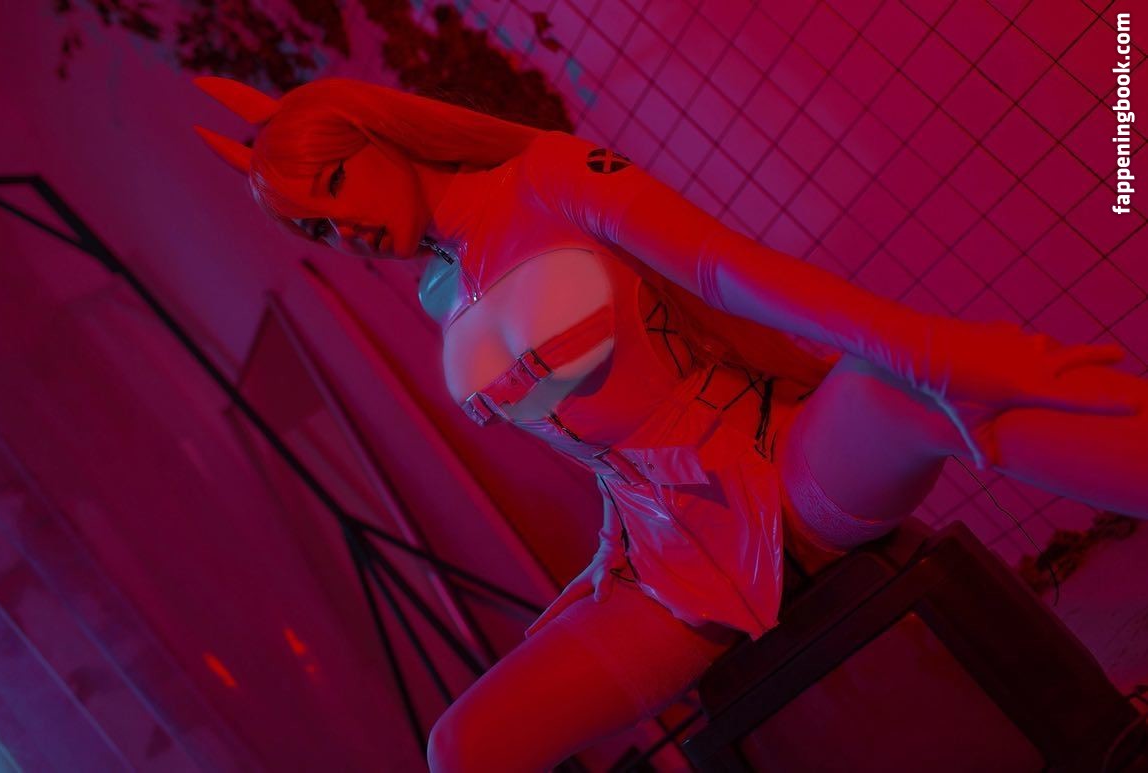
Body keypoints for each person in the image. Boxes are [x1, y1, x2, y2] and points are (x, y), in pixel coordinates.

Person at [193, 75, 1148, 771]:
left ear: (377, 132)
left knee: (912, 390)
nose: (341, 229)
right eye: (313, 228)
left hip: (785, 465)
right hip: (668, 563)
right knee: (466, 747)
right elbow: (600, 442)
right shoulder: (443, 297)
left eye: (334, 186)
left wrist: (933, 349)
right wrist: (605, 558)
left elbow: (726, 270)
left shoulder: (548, 177)